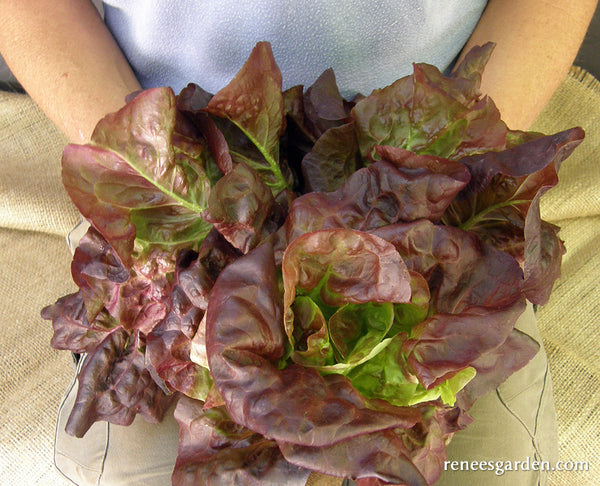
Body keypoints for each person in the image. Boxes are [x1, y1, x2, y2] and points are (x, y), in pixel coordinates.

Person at [0, 1, 597, 485]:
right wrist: (160, 177)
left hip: (432, 165)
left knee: (487, 468)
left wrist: (428, 191)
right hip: (181, 171)